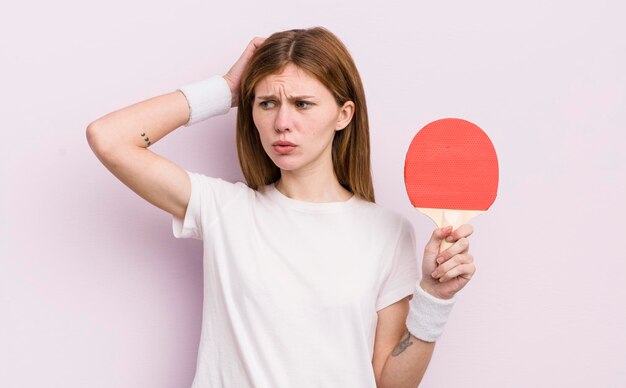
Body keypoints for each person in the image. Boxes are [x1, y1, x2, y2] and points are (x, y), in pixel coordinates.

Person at [86, 26, 476, 388]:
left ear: (344, 114)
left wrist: (434, 299)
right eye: (267, 103)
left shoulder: (387, 231)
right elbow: (108, 138)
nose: (282, 122)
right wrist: (225, 90)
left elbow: (390, 382)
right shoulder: (226, 210)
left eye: (303, 104)